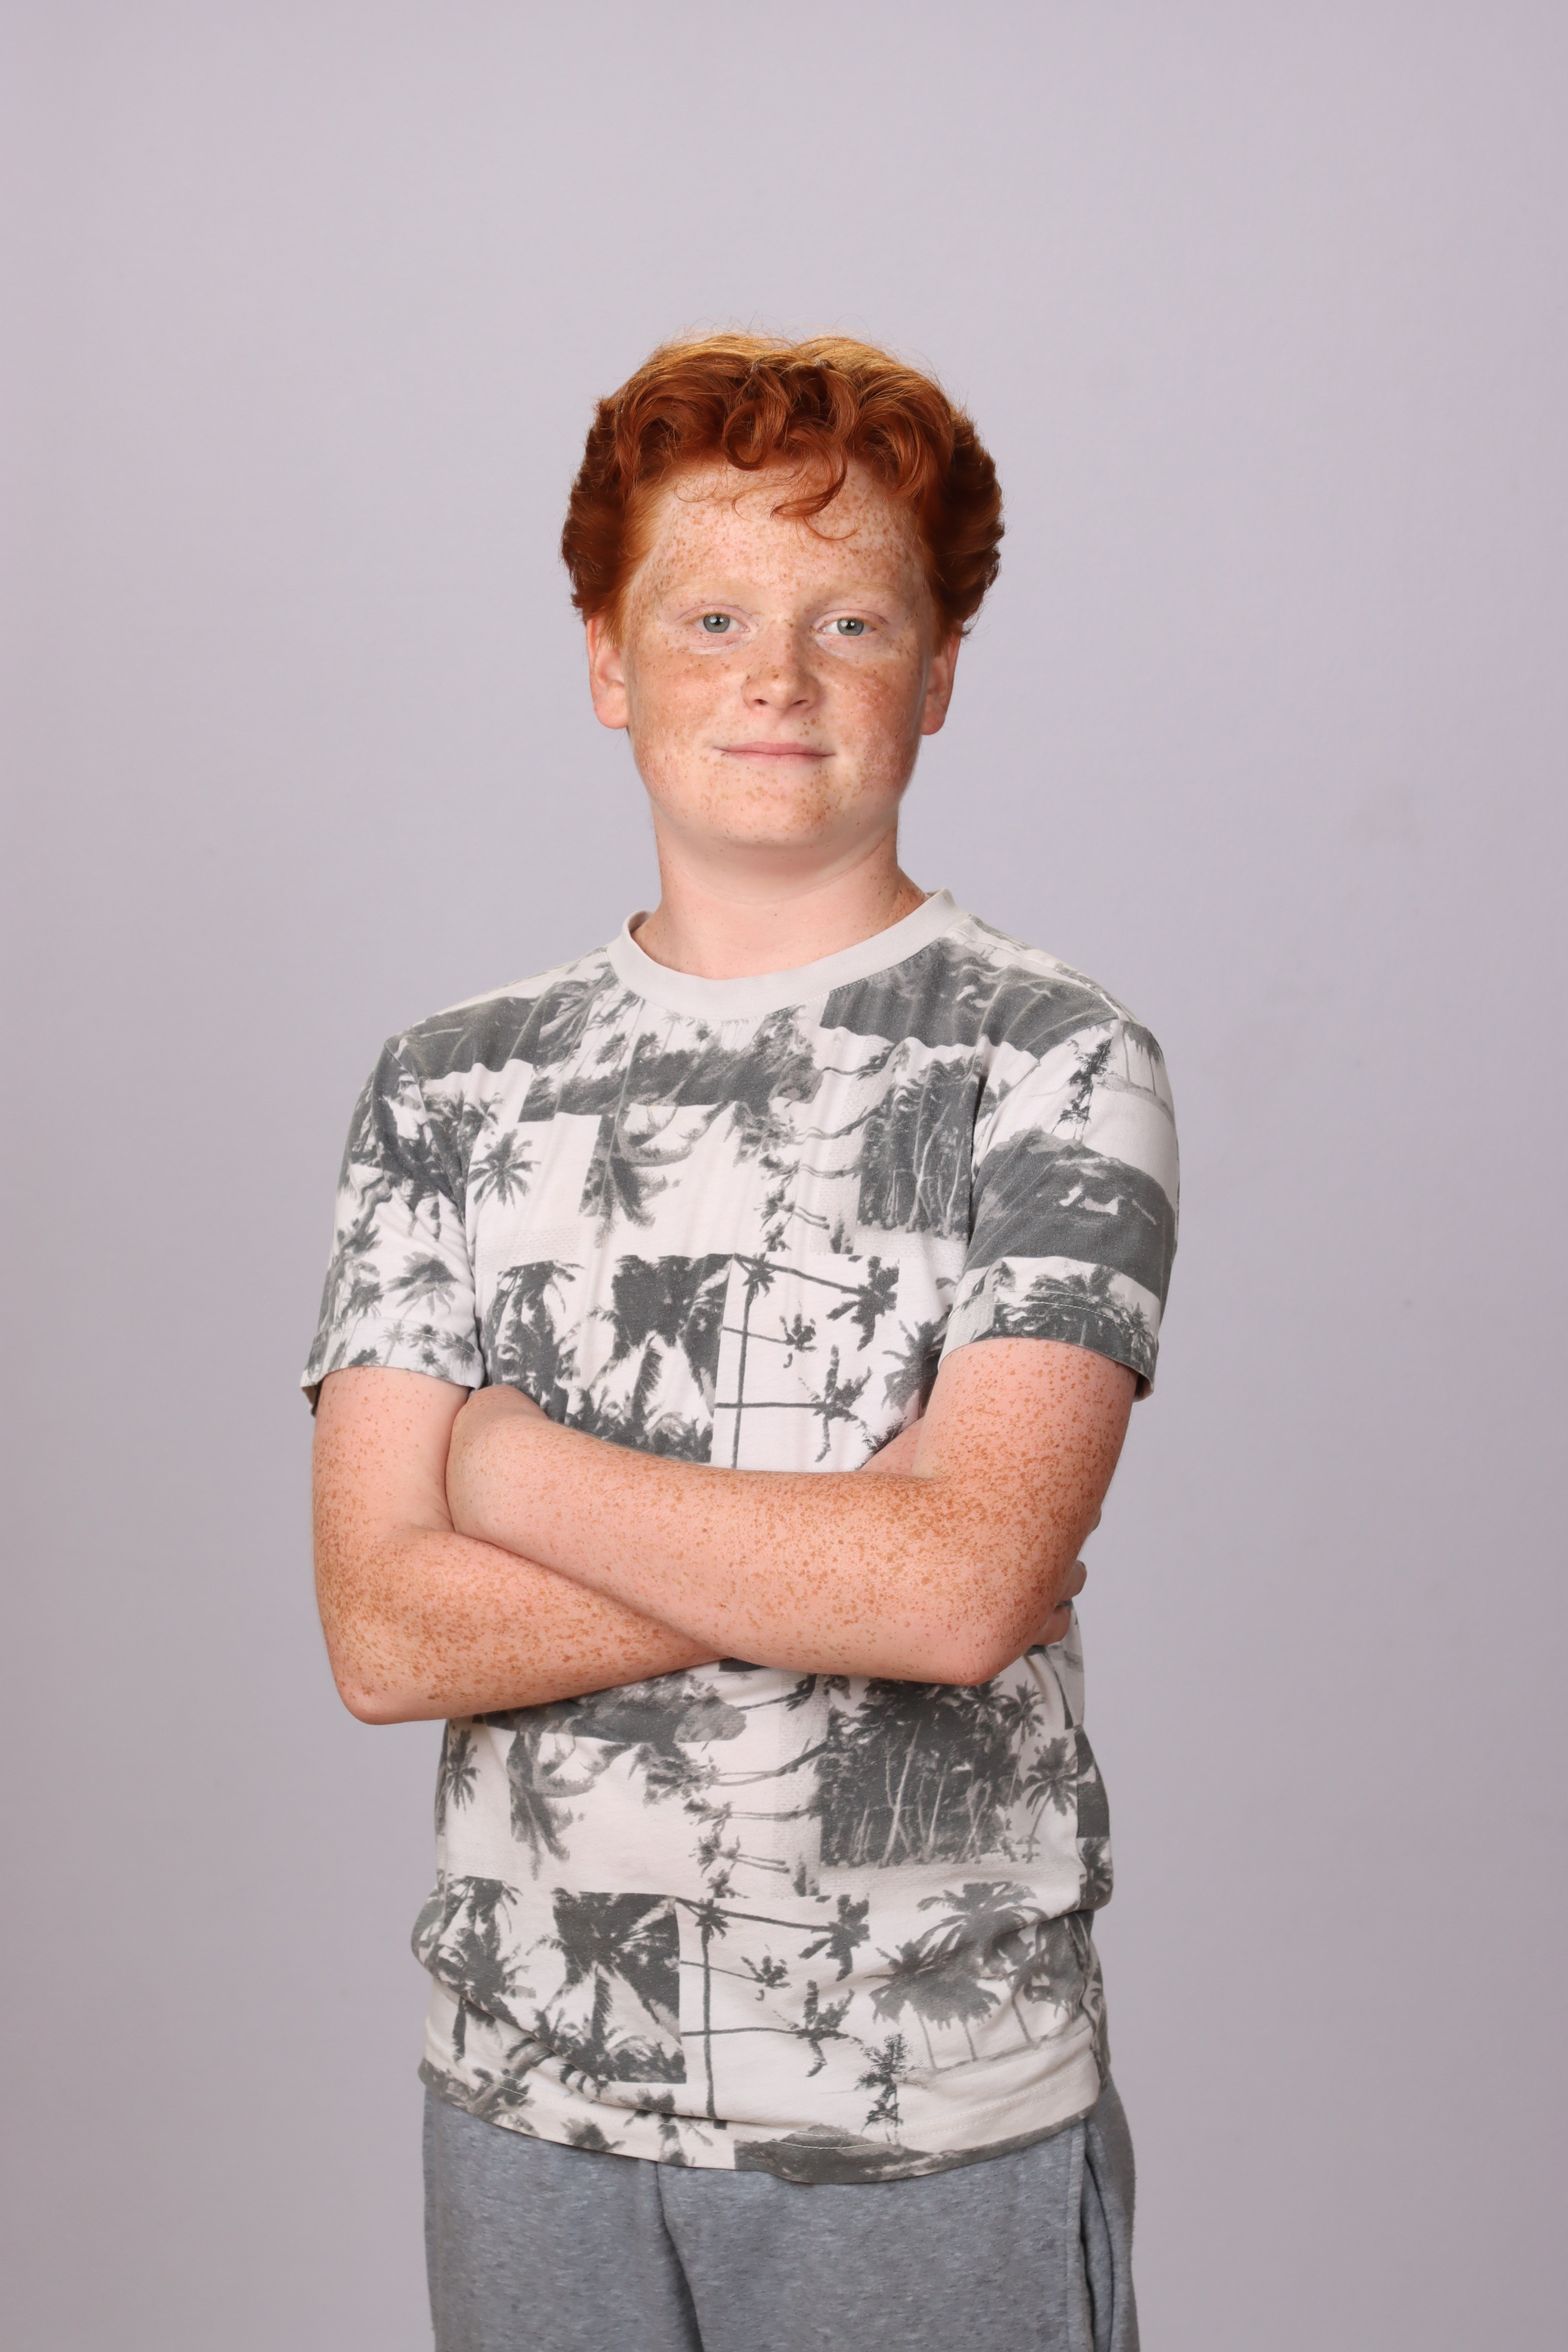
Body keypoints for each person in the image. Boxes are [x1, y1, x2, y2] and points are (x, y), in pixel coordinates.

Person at [304, 333, 1178, 2352]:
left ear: (935, 676)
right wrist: (849, 1549)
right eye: (708, 617)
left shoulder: (1054, 1062)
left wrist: (505, 1468)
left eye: (848, 620)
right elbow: (385, 1634)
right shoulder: (448, 1087)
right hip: (524, 2098)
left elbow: (960, 1593)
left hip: (924, 2116)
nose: (775, 675)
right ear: (607, 663)